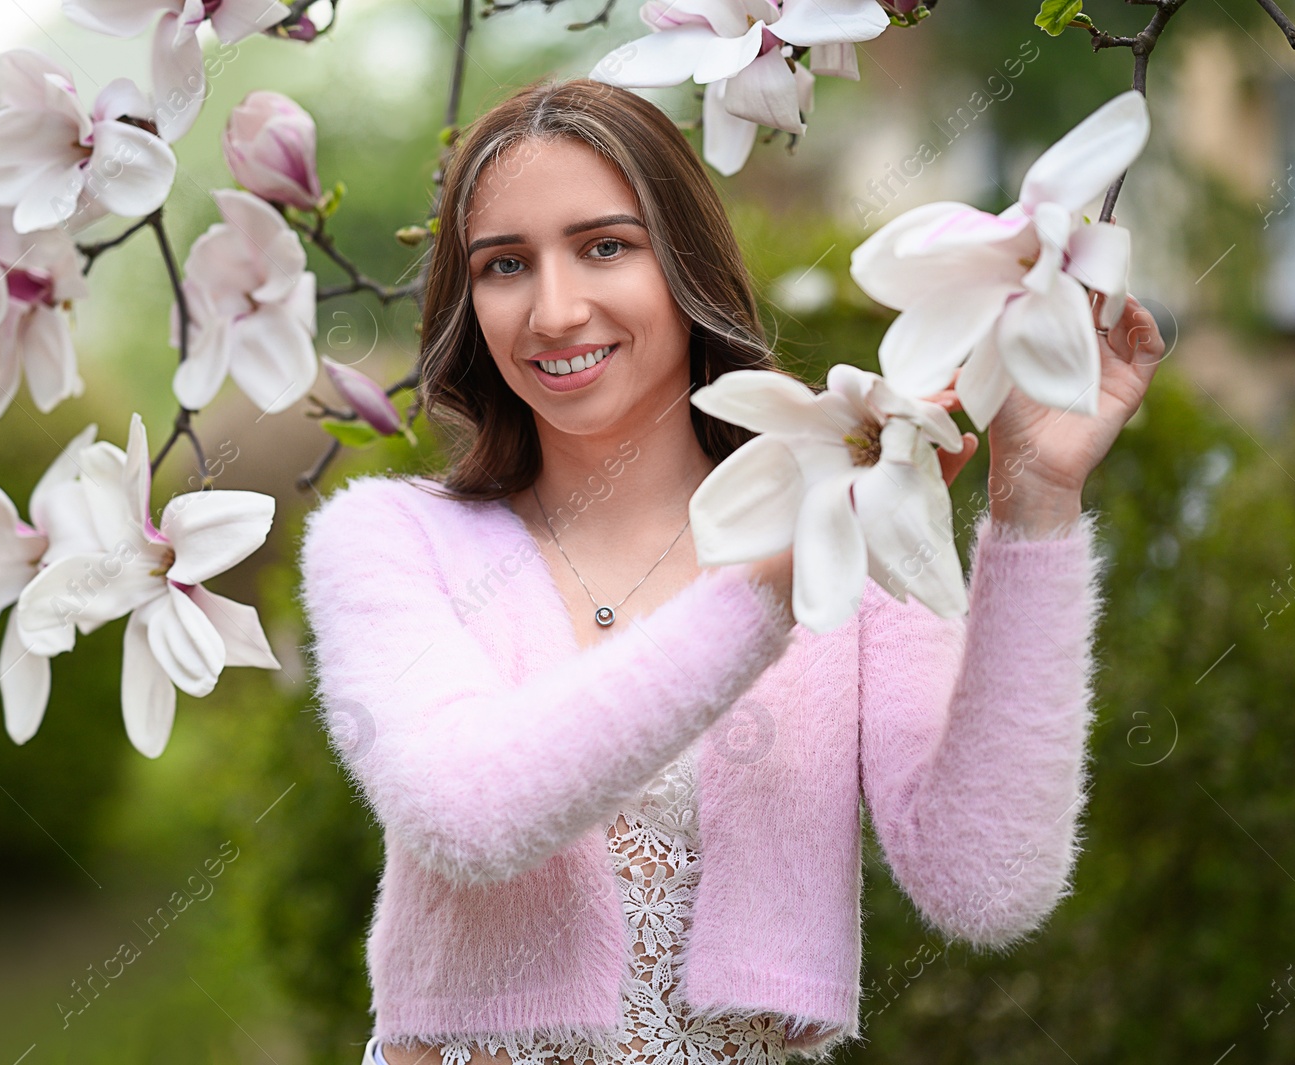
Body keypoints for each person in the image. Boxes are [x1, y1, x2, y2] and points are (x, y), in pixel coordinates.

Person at [297, 77, 1163, 1065]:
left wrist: (1036, 502)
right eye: (504, 264)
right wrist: (774, 587)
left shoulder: (854, 530)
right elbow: (469, 813)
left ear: (685, 264)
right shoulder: (389, 539)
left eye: (604, 246)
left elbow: (987, 883)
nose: (554, 309)